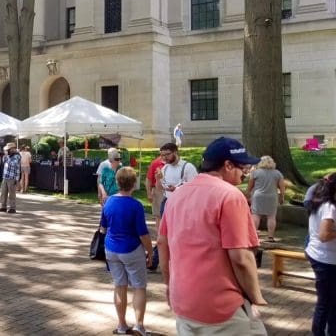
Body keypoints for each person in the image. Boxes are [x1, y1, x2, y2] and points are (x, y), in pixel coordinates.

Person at [158, 137, 267, 334]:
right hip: (221, 306)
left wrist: (168, 285)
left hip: (183, 301)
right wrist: (256, 296)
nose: (245, 173)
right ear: (227, 165)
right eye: (243, 167)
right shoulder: (230, 195)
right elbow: (241, 258)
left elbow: (162, 243)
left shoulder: (177, 195)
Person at [100, 167, 153, 336]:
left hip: (111, 249)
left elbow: (103, 228)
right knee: (139, 287)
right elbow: (143, 233)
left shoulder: (108, 201)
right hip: (131, 249)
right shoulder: (136, 205)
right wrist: (150, 252)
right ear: (134, 184)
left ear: (117, 182)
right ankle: (139, 325)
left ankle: (122, 325)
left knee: (119, 286)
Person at [305, 172, 336, 336]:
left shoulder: (320, 200)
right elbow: (324, 235)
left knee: (331, 301)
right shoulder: (330, 207)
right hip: (325, 260)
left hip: (322, 256)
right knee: (325, 302)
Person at [247, 156, 286, 242]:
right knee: (271, 217)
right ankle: (270, 237)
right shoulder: (277, 173)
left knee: (256, 215)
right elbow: (282, 188)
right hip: (272, 197)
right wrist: (282, 197)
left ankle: (253, 236)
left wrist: (248, 195)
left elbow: (249, 187)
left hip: (258, 197)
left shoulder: (255, 173)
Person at [158, 142, 197, 218]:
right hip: (167, 202)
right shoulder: (165, 168)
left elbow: (195, 188)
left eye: (167, 154)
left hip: (182, 203)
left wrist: (177, 189)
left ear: (175, 152)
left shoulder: (188, 167)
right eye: (163, 155)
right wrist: (157, 179)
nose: (165, 158)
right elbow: (160, 188)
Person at [0, 142, 21, 213]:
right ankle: (3, 206)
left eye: (8, 150)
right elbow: (4, 162)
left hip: (12, 177)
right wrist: (5, 156)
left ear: (12, 149)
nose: (6, 151)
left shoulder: (17, 156)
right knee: (3, 192)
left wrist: (17, 179)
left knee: (12, 194)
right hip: (5, 176)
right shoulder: (8, 156)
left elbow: (14, 164)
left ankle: (12, 208)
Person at [145, 155, 166, 228]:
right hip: (158, 191)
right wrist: (149, 193)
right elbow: (148, 179)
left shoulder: (174, 163)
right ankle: (159, 237)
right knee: (159, 216)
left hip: (171, 190)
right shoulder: (155, 163)